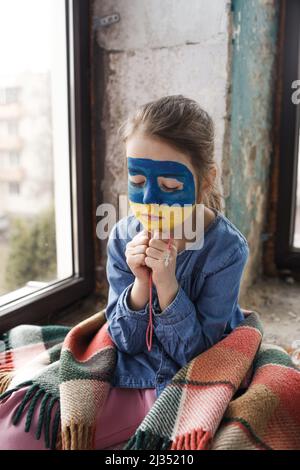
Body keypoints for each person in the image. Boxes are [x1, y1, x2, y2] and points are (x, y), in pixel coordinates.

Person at [0, 95, 249, 449]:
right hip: (125, 372)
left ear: (205, 181)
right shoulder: (122, 237)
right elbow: (124, 341)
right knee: (15, 435)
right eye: (136, 180)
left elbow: (198, 355)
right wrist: (140, 284)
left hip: (179, 382)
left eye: (171, 187)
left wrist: (167, 283)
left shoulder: (226, 251)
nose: (150, 199)